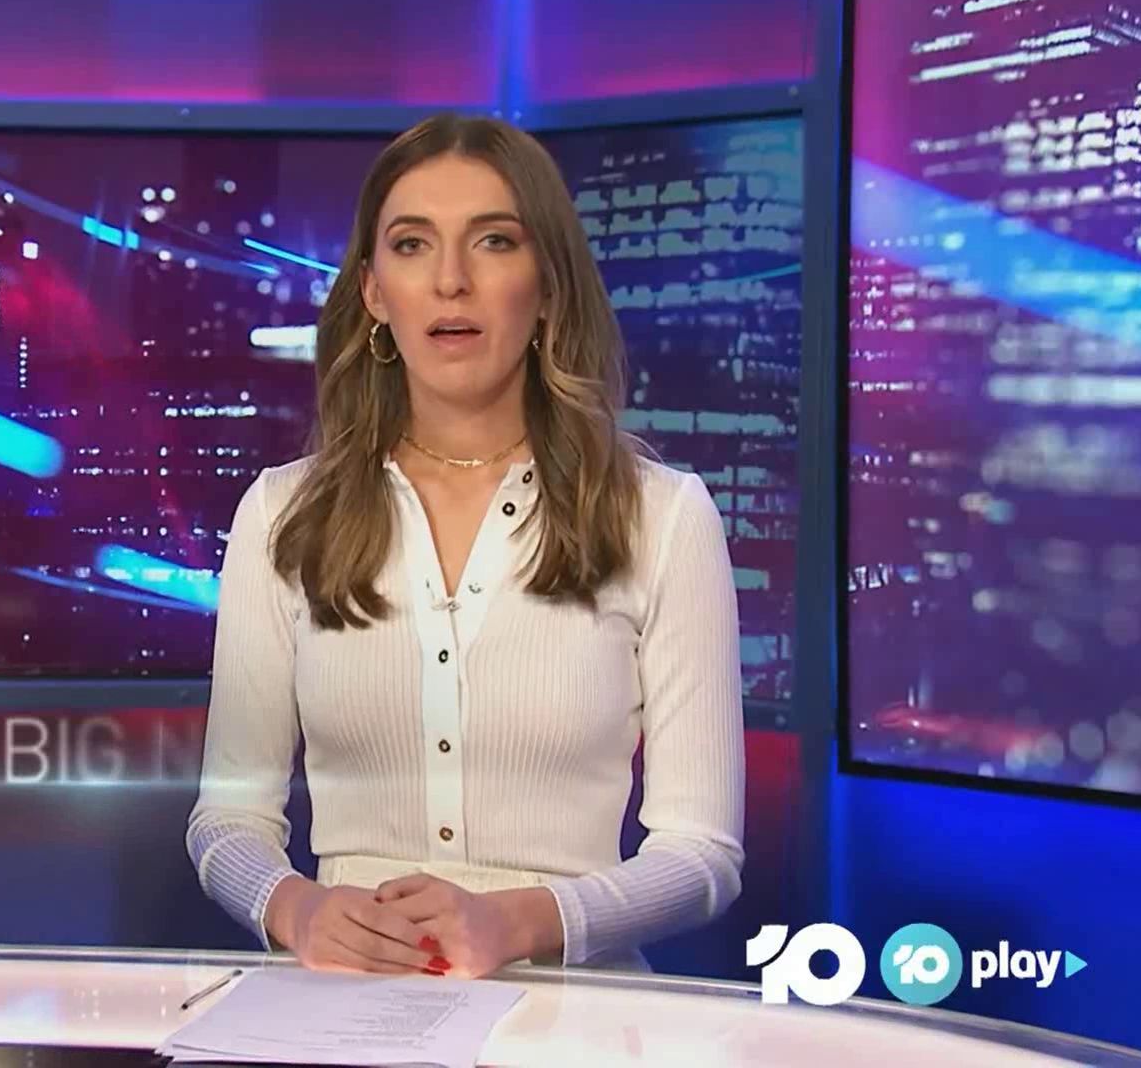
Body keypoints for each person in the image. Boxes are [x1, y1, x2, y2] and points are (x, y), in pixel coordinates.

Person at [186, 113, 745, 978]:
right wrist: (297, 910)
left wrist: (520, 922)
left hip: (575, 1018)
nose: (451, 281)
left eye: (493, 241)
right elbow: (228, 817)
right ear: (375, 292)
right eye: (412, 245)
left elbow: (702, 854)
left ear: (547, 284)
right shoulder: (281, 513)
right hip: (344, 1008)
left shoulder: (662, 516)